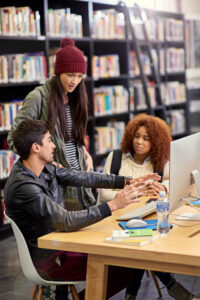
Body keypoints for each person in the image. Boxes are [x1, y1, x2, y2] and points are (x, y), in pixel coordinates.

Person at [4, 119, 147, 300]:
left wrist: (127, 181)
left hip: (61, 243)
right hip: (47, 259)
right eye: (49, 140)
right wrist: (113, 205)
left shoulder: (42, 167)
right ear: (36, 147)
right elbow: (66, 221)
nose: (54, 146)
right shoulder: (24, 186)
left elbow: (81, 177)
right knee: (123, 269)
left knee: (119, 257)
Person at [98, 114, 193, 300]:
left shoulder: (160, 162)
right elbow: (104, 194)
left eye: (146, 138)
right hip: (111, 222)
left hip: (139, 221)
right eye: (137, 136)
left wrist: (162, 187)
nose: (139, 142)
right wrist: (141, 191)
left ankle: (131, 295)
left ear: (156, 142)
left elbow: (177, 181)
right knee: (143, 248)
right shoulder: (116, 158)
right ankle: (172, 288)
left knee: (143, 243)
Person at [7, 37, 95, 211]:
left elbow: (69, 138)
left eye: (79, 76)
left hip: (80, 180)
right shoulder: (38, 98)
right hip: (56, 184)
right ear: (58, 72)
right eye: (70, 75)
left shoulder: (76, 97)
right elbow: (14, 137)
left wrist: (84, 153)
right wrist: (45, 163)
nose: (74, 81)